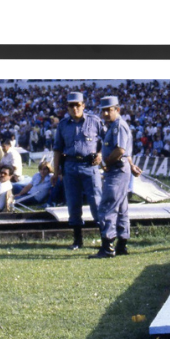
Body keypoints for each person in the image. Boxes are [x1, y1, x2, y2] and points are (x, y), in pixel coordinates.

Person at [52, 91, 105, 251]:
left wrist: (101, 155)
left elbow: (106, 141)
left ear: (83, 105)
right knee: (73, 203)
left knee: (96, 202)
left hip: (90, 166)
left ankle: (105, 239)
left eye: (77, 105)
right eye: (71, 105)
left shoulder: (94, 121)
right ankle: (77, 240)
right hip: (70, 166)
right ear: (67, 107)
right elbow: (57, 150)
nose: (75, 108)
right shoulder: (62, 125)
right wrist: (56, 172)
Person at [91, 95, 135, 258]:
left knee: (107, 206)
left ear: (117, 109)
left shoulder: (118, 126)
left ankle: (107, 246)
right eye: (103, 111)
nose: (105, 114)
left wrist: (106, 163)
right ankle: (122, 244)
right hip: (120, 170)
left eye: (109, 110)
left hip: (116, 170)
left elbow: (120, 151)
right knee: (122, 209)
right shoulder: (114, 126)